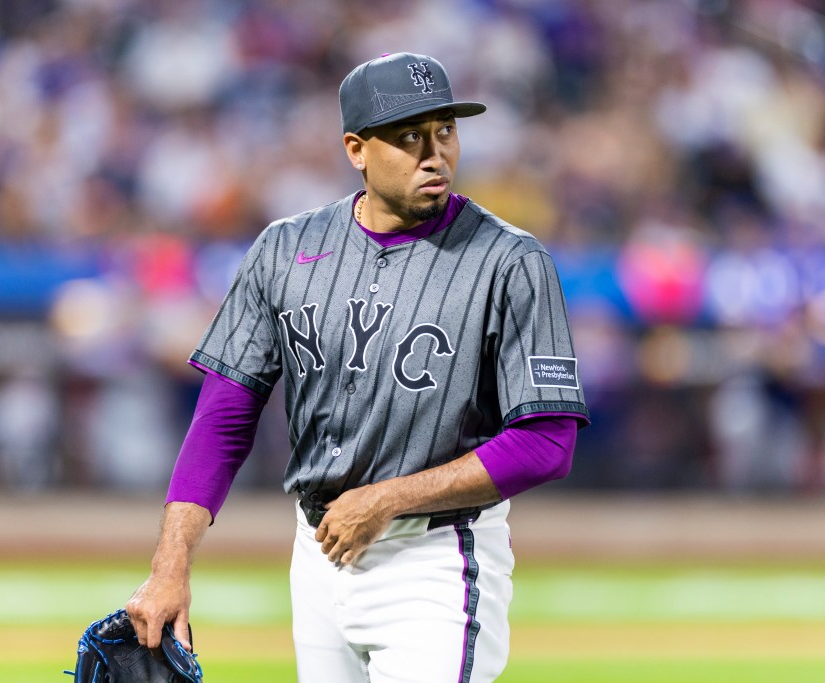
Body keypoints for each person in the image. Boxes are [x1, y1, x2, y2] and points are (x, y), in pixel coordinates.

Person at [125, 52, 590, 683]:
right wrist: (171, 562)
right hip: (317, 558)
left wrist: (388, 499)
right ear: (356, 149)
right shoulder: (284, 249)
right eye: (409, 137)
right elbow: (224, 415)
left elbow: (547, 442)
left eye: (445, 131)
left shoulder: (510, 262)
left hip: (435, 558)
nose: (435, 154)